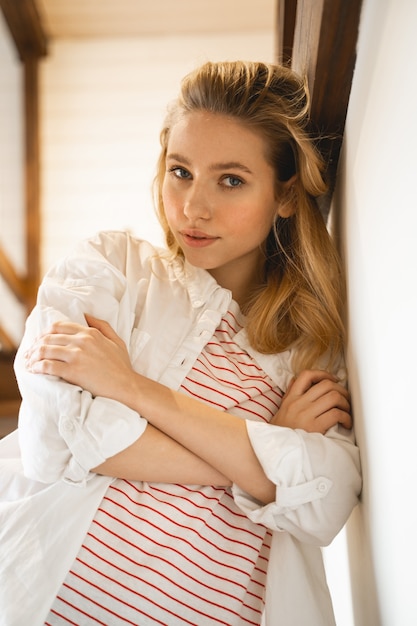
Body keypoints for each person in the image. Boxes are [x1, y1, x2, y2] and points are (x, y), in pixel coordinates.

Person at [0, 60, 361, 626]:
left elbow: (326, 499)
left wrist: (132, 390)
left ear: (286, 196)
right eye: (180, 171)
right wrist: (267, 455)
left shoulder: (311, 352)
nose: (194, 206)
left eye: (231, 180)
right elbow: (56, 440)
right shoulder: (113, 267)